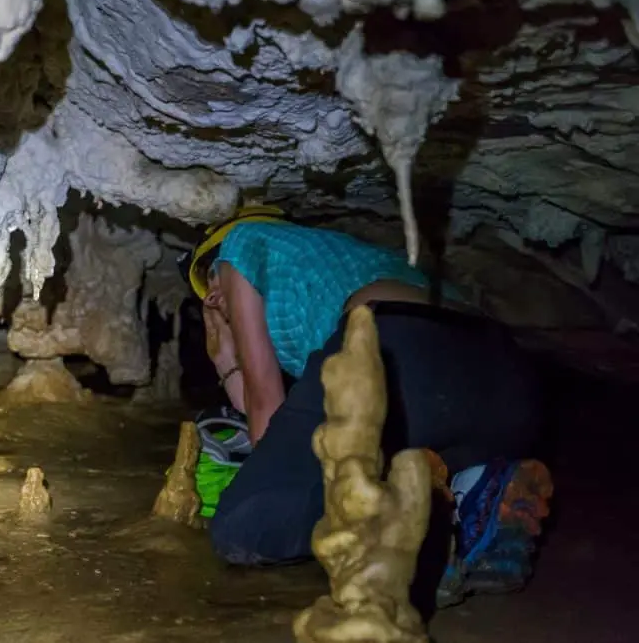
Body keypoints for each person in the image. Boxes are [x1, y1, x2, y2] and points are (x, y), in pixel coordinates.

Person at [177, 204, 552, 608]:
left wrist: (225, 360)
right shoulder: (331, 274)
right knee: (390, 455)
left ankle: (402, 512)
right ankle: (480, 491)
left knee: (242, 526)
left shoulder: (238, 247)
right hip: (506, 380)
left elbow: (268, 414)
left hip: (394, 344)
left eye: (210, 290)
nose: (214, 300)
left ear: (214, 280)